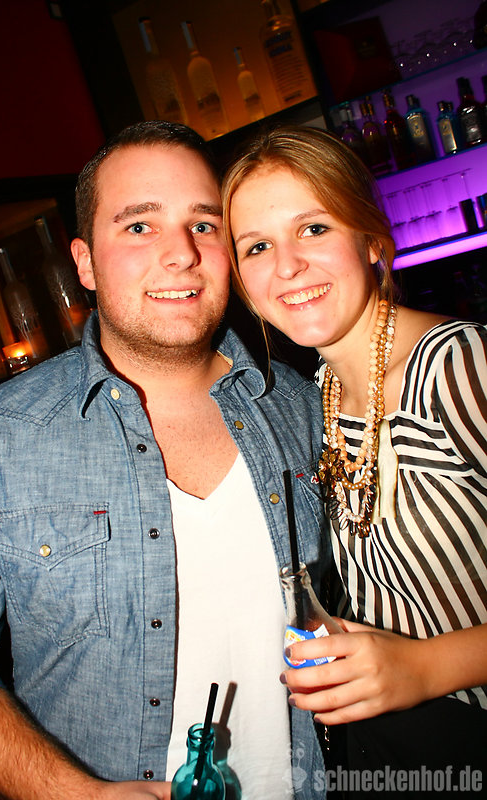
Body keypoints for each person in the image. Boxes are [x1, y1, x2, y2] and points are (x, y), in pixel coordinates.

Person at [0, 121, 328, 800]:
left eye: (203, 225)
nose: (181, 253)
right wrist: (77, 795)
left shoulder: (306, 408)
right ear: (85, 263)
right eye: (139, 226)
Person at [222, 125, 487, 795]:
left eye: (312, 229)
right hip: (393, 752)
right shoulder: (320, 393)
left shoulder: (458, 366)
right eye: (257, 246)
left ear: (371, 239)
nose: (286, 266)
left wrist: (423, 668)